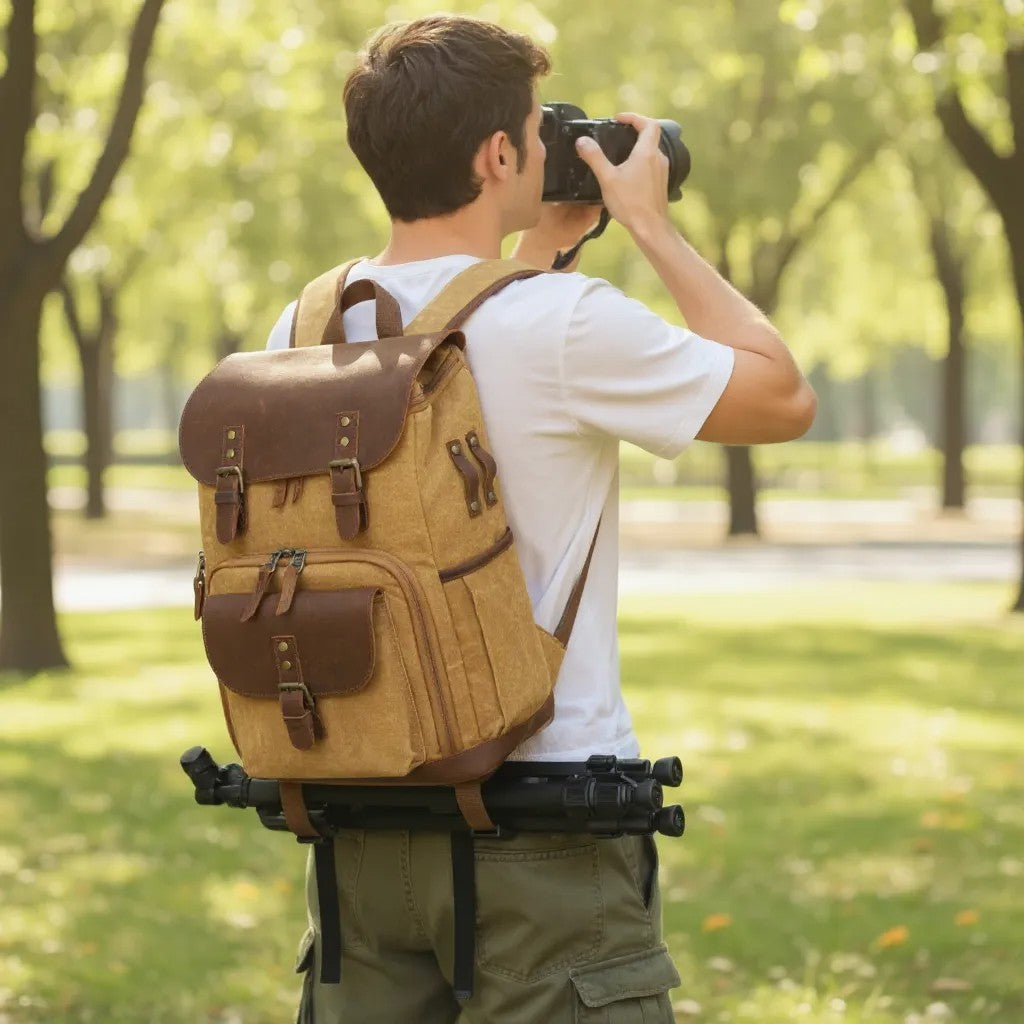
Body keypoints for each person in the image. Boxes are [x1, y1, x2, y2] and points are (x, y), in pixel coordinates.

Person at [265, 15, 816, 1024]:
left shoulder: (308, 322)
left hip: (359, 832)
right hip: (541, 834)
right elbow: (780, 396)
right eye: (537, 127)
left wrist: (534, 253)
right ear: (499, 154)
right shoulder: (569, 323)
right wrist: (650, 223)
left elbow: (468, 348)